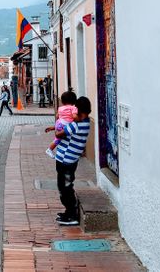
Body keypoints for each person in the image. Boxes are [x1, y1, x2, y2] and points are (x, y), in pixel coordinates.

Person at [48, 96, 91, 226]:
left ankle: (72, 215)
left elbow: (58, 134)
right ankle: (68, 212)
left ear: (79, 110)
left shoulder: (77, 125)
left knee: (65, 187)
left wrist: (58, 123)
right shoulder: (85, 122)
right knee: (65, 186)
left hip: (66, 160)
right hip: (67, 159)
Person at [46, 91, 77, 158]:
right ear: (74, 101)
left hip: (59, 123)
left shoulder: (60, 108)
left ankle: (51, 149)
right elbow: (74, 117)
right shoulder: (73, 108)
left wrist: (55, 127)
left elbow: (57, 116)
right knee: (60, 138)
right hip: (65, 125)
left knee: (58, 138)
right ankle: (49, 149)